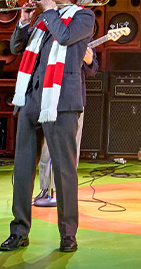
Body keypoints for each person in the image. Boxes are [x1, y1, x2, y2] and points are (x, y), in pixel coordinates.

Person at [0, 0, 95, 253]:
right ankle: (19, 231)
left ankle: (68, 234)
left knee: (65, 170)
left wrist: (51, 11)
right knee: (23, 168)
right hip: (31, 98)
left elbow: (65, 37)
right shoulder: (44, 18)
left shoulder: (84, 17)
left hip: (62, 102)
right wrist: (25, 20)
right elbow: (17, 46)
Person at [36, 45, 99, 207]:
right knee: (46, 147)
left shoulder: (84, 33)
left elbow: (93, 70)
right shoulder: (53, 31)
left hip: (75, 98)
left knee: (72, 148)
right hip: (50, 94)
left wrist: (89, 61)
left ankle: (65, 191)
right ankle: (45, 188)